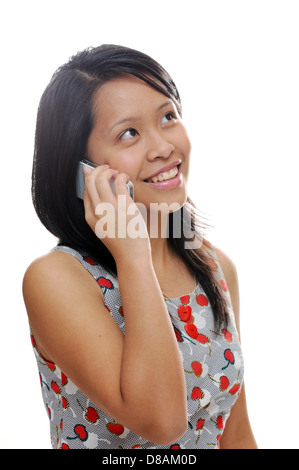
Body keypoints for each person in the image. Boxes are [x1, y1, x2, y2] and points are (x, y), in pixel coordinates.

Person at [23, 44, 257, 449]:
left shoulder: (216, 267)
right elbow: (162, 422)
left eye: (168, 116)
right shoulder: (56, 279)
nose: (163, 147)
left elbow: (234, 435)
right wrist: (132, 252)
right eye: (128, 133)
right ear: (82, 171)